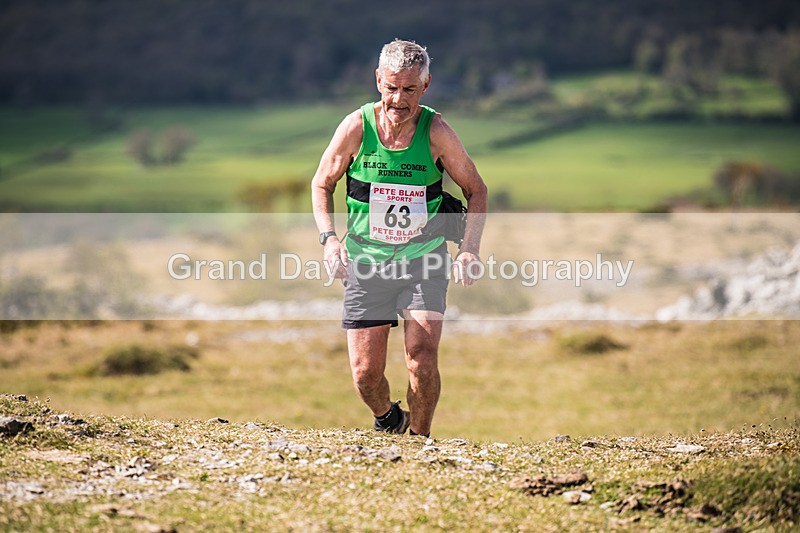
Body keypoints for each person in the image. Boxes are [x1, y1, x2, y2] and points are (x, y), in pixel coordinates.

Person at [311, 39, 487, 437]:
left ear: (426, 85)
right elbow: (322, 183)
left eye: (409, 89)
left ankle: (420, 442)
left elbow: (477, 189)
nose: (398, 99)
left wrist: (469, 250)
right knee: (365, 375)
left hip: (424, 260)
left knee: (421, 358)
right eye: (391, 87)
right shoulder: (357, 127)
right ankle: (389, 418)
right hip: (365, 262)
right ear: (378, 81)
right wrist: (330, 239)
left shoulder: (436, 131)